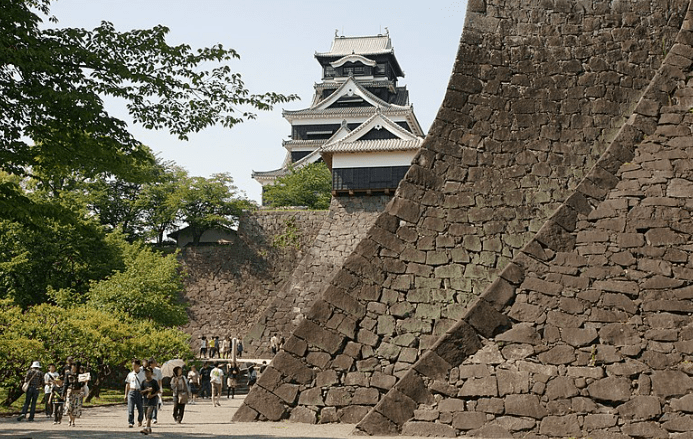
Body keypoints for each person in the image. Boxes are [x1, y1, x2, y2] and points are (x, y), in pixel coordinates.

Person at [124, 359, 145, 428]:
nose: (133, 367)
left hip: (139, 392)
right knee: (130, 408)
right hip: (131, 392)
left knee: (141, 409)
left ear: (139, 366)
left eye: (135, 365)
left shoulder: (143, 374)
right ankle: (131, 422)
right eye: (132, 365)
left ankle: (140, 420)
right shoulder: (130, 374)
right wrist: (126, 394)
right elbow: (127, 384)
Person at [63, 361, 85, 427]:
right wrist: (63, 393)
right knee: (69, 406)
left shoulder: (79, 374)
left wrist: (84, 381)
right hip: (70, 391)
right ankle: (70, 419)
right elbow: (65, 384)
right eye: (72, 366)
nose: (73, 367)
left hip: (77, 392)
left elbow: (82, 384)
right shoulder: (68, 374)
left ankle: (73, 421)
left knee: (75, 407)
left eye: (75, 366)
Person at [140, 367, 160, 435]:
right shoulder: (143, 382)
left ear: (151, 373)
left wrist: (152, 395)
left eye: (148, 372)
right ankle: (149, 428)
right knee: (146, 414)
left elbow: (158, 391)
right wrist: (147, 390)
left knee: (149, 414)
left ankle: (146, 428)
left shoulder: (154, 382)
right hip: (145, 400)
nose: (147, 374)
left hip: (152, 400)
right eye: (146, 372)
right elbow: (141, 391)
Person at [149, 358, 163, 424]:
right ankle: (148, 417)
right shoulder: (146, 370)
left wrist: (160, 388)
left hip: (155, 388)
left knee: (155, 404)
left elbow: (160, 380)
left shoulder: (158, 370)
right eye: (154, 362)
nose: (156, 363)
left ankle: (154, 417)